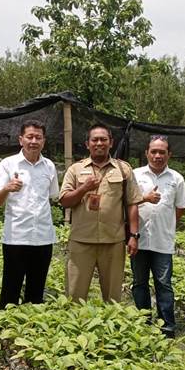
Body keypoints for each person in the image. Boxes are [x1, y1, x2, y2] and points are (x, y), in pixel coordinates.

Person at [59, 124, 141, 302]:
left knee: (112, 298)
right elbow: (64, 201)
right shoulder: (75, 169)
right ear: (87, 144)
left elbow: (132, 203)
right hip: (81, 240)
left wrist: (134, 236)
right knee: (74, 295)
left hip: (113, 241)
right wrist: (84, 188)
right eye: (94, 140)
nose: (99, 143)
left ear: (111, 143)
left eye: (103, 139)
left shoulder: (123, 169)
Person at [0, 119, 59, 307]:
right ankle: (7, 322)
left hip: (43, 237)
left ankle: (32, 323)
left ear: (44, 141)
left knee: (36, 291)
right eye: (30, 137)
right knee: (10, 289)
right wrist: (7, 188)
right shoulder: (8, 164)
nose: (34, 141)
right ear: (21, 139)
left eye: (38, 137)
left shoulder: (49, 166)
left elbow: (53, 196)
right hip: (16, 237)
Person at [131, 136, 185, 337]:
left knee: (164, 284)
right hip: (139, 239)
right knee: (139, 282)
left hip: (163, 241)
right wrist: (145, 199)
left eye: (162, 152)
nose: (157, 156)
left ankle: (167, 328)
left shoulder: (176, 178)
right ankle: (143, 323)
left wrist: (166, 223)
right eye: (154, 151)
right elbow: (128, 203)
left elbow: (181, 207)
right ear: (146, 153)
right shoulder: (135, 174)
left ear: (169, 154)